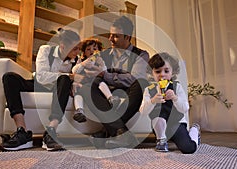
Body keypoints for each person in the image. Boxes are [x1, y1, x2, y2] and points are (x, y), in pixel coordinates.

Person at [0, 28, 81, 151]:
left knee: (64, 80)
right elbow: (42, 77)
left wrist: (69, 79)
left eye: (79, 48)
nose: (78, 51)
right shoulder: (46, 50)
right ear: (63, 46)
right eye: (75, 48)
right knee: (9, 77)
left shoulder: (76, 62)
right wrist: (69, 76)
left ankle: (50, 132)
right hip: (38, 85)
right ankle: (22, 131)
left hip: (58, 90)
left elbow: (75, 81)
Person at [78, 16, 150, 149]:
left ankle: (107, 132)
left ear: (127, 37)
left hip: (129, 92)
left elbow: (133, 79)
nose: (110, 39)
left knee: (141, 83)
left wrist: (105, 75)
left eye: (115, 36)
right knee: (87, 87)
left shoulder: (141, 54)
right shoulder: (103, 55)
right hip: (106, 93)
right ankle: (122, 134)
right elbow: (90, 71)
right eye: (110, 35)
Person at [139, 53, 201, 154]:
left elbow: (185, 108)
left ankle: (194, 130)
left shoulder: (176, 87)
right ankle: (161, 140)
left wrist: (175, 98)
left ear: (172, 72)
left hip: (176, 123)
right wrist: (152, 101)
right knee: (158, 114)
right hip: (159, 126)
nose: (162, 74)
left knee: (188, 149)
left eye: (166, 71)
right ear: (152, 73)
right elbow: (143, 112)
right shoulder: (149, 90)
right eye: (157, 71)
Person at [72, 39, 121, 123]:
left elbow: (104, 70)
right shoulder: (81, 60)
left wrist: (99, 66)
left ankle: (110, 98)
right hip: (84, 82)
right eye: (88, 49)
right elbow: (74, 70)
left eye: (94, 49)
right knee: (77, 90)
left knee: (100, 81)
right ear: (84, 52)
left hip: (96, 81)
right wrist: (83, 64)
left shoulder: (99, 59)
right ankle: (79, 110)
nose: (92, 51)